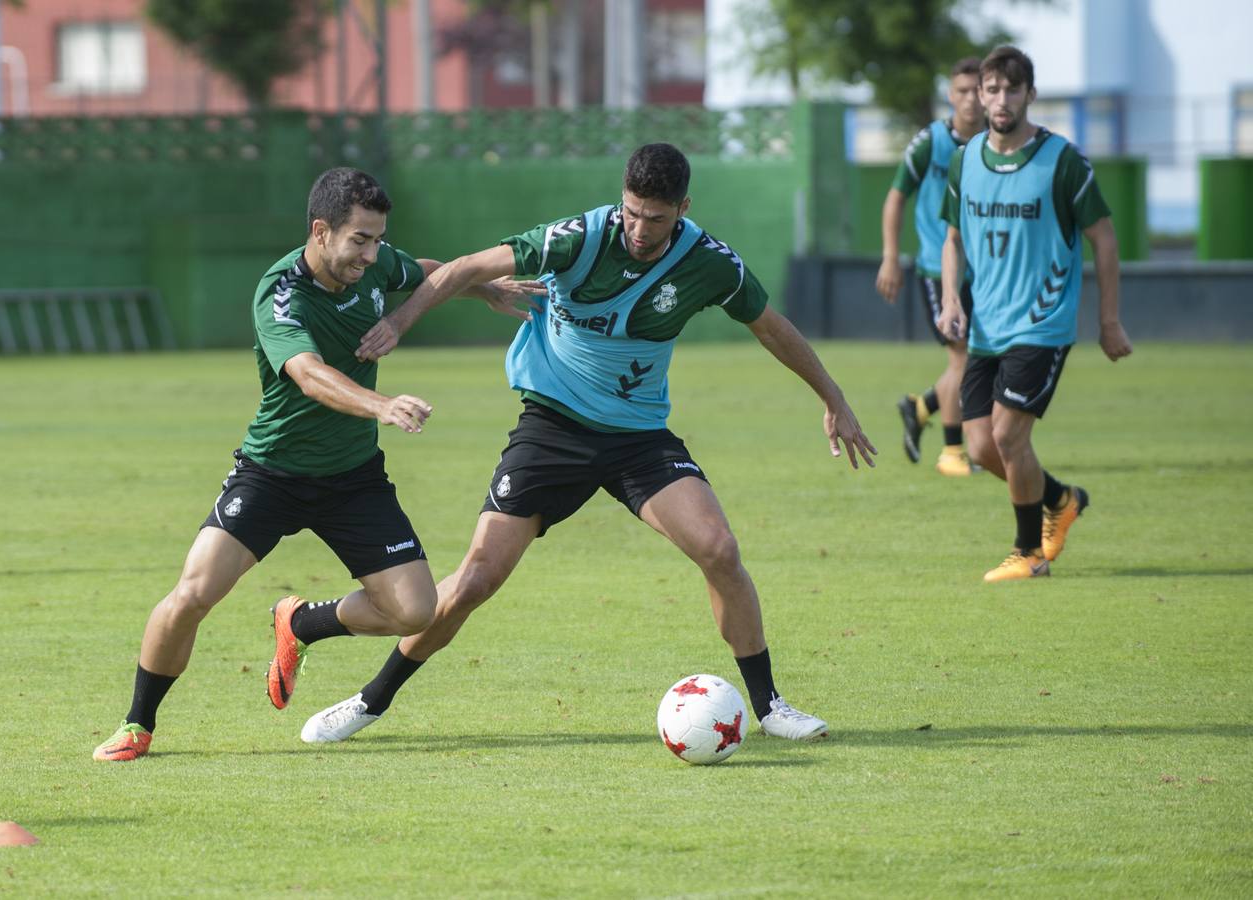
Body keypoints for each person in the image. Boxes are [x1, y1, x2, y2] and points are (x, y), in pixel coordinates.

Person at [277, 142, 876, 747]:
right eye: (633, 213)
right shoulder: (576, 239)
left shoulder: (709, 263)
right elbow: (463, 268)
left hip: (639, 438)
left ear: (683, 209)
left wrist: (834, 397)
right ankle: (368, 701)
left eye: (657, 218)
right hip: (552, 431)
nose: (640, 230)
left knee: (719, 549)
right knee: (474, 582)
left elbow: (771, 327)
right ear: (623, 199)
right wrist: (399, 325)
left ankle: (770, 706)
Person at [92, 167, 529, 761]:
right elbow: (309, 375)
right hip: (271, 475)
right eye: (360, 240)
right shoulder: (282, 294)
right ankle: (137, 724)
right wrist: (380, 404)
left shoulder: (373, 266)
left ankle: (301, 623)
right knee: (193, 593)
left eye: (378, 240)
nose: (372, 255)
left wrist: (485, 290)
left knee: (415, 610)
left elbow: (424, 271)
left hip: (353, 479)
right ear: (321, 232)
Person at [937, 47, 1132, 583]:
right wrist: (953, 300)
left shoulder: (1062, 161)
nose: (1000, 100)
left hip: (1042, 323)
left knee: (1007, 437)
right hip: (987, 327)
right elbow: (952, 239)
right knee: (979, 446)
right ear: (980, 95)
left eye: (1011, 90)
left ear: (1030, 95)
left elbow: (1105, 239)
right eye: (991, 89)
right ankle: (1061, 499)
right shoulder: (965, 159)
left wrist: (1109, 320)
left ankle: (1029, 553)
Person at [876, 57, 984, 477]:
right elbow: (895, 196)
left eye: (978, 90)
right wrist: (890, 256)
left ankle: (920, 407)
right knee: (964, 361)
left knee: (981, 360)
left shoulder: (995, 143)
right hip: (939, 270)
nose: (971, 99)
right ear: (950, 95)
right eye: (962, 91)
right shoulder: (932, 143)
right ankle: (952, 453)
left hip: (986, 271)